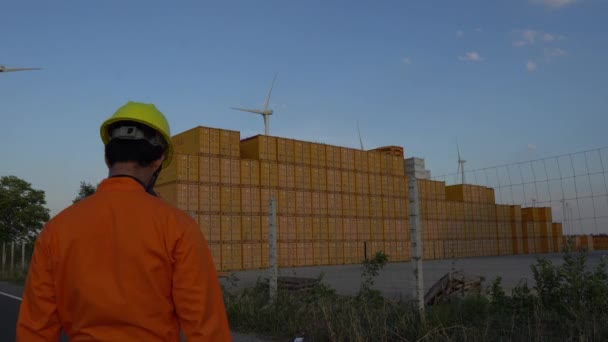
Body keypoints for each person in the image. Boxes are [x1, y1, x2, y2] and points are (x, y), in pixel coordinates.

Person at [16, 101, 231, 341]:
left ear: (108, 159)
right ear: (159, 159)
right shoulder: (178, 227)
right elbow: (206, 329)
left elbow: (35, 329)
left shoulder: (56, 229)